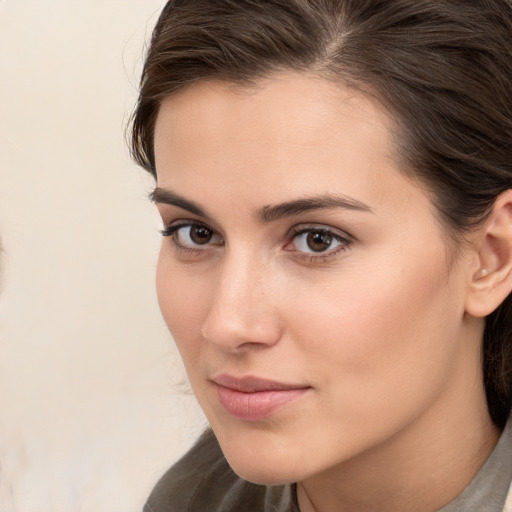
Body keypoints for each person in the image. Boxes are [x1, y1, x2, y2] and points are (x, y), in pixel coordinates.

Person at [130, 1, 512, 510]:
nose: (227, 323)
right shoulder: (188, 499)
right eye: (196, 233)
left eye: (317, 240)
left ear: (493, 257)